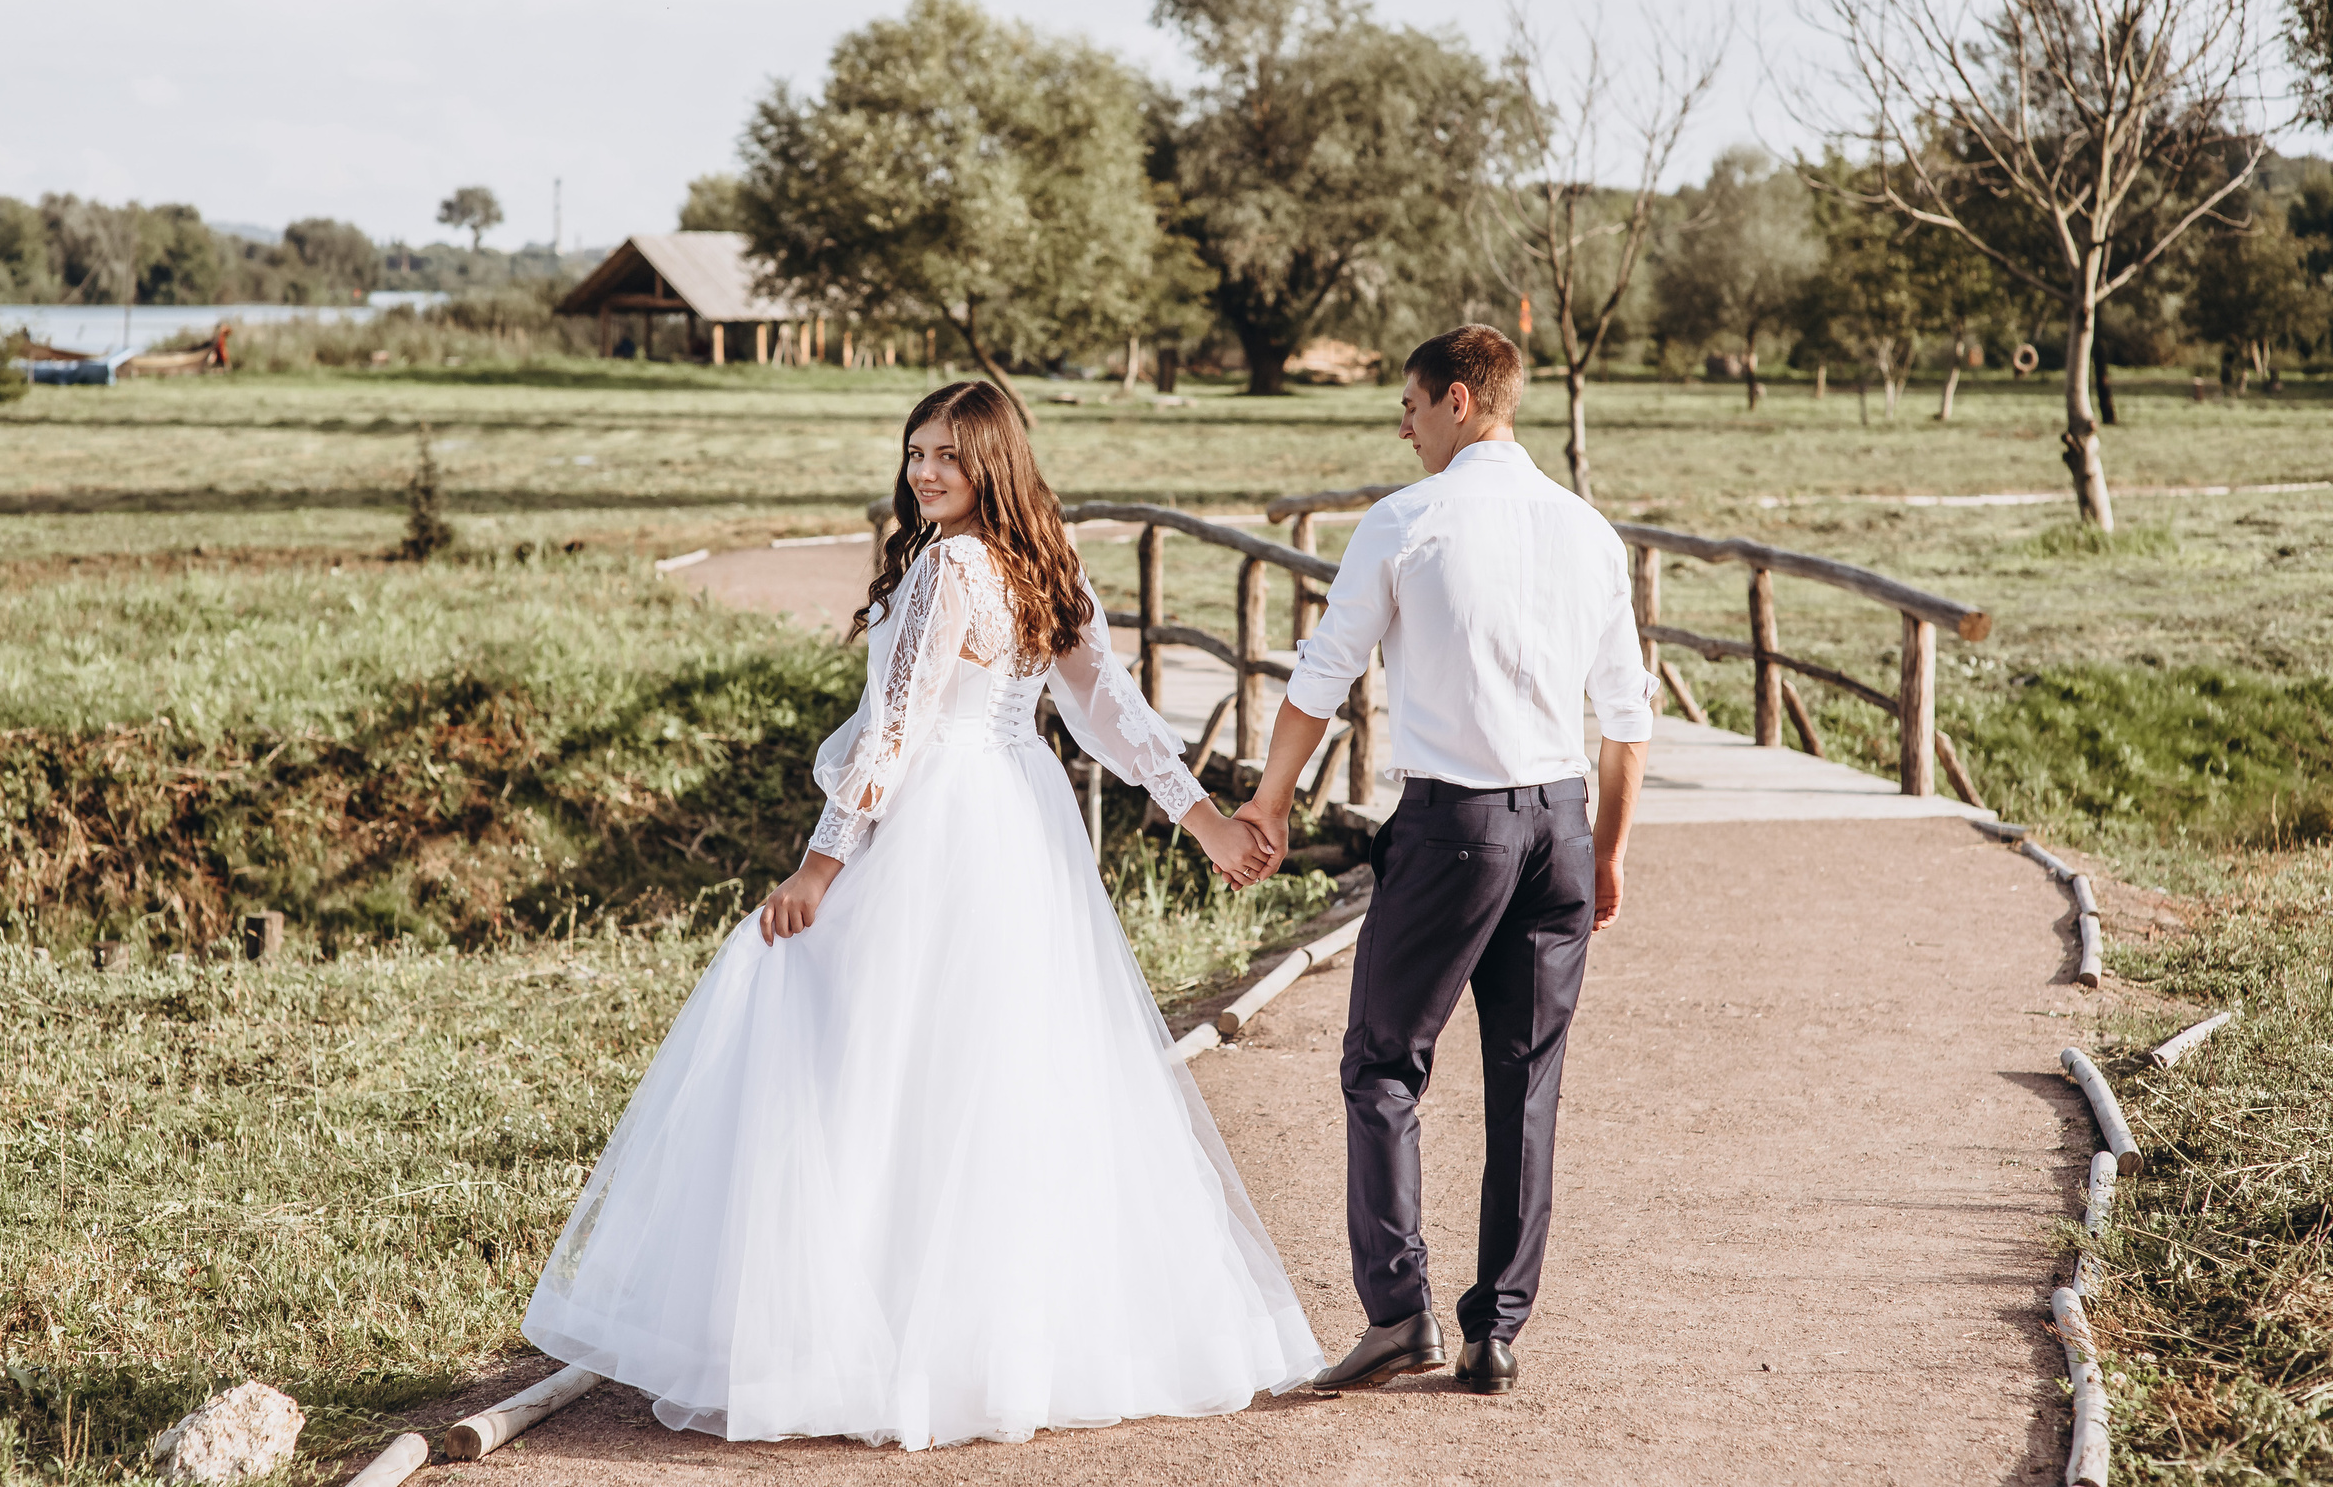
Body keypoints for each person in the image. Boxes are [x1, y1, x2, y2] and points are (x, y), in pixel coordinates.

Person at [523, 380, 1322, 1450]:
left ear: (991, 460)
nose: (925, 472)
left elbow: (897, 728)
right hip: (1019, 821)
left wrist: (818, 866)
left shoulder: (949, 564)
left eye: (947, 454)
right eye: (913, 454)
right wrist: (1207, 820)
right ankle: (995, 1341)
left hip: (938, 822)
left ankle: (865, 1336)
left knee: (866, 1053)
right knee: (991, 1067)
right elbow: (1106, 714)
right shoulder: (1043, 561)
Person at [1234, 323, 1653, 1399]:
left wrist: (1270, 800)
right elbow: (1625, 717)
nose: (1404, 426)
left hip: (1451, 829)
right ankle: (1494, 1331)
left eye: (1411, 406)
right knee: (1527, 1084)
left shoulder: (1406, 521)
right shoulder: (1587, 530)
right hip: (1558, 822)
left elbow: (1322, 672)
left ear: (1459, 401)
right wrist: (1605, 853)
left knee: (1382, 1065)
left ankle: (1397, 1312)